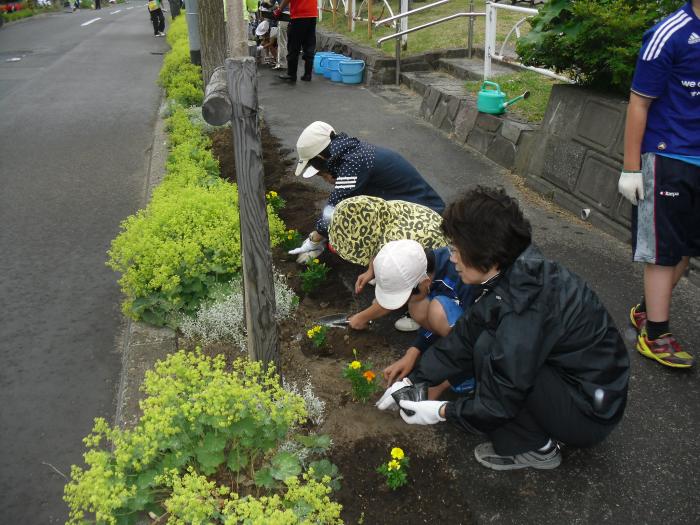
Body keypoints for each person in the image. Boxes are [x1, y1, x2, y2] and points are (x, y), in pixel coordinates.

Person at [377, 186, 630, 471]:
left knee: (492, 351)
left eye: (457, 250)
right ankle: (535, 431)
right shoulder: (516, 270)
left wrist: (443, 411)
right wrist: (416, 381)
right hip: (581, 384)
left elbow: (500, 399)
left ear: (484, 252)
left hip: (590, 412)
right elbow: (466, 334)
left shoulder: (525, 302)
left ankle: (538, 449)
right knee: (483, 342)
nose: (453, 258)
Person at [618, 0, 699, 369]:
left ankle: (648, 310)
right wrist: (631, 168)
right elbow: (639, 102)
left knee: (684, 250)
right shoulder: (668, 34)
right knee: (663, 251)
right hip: (667, 158)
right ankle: (655, 335)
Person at [288, 121, 445, 267]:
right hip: (412, 208)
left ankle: (405, 265)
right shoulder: (351, 152)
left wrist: (314, 240)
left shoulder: (353, 164)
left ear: (321, 157)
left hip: (426, 218)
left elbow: (334, 209)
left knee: (349, 237)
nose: (325, 179)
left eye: (321, 173)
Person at [359, 240, 475, 398]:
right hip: (463, 320)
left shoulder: (465, 279)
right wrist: (412, 353)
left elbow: (476, 336)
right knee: (419, 307)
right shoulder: (427, 269)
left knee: (434, 310)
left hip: (489, 339)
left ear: (424, 284)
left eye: (405, 296)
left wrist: (438, 386)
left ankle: (468, 375)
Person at [325, 196, 448, 330]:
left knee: (416, 299)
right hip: (424, 245)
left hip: (438, 267)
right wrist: (370, 271)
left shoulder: (396, 239)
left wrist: (361, 318)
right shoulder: (378, 213)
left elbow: (390, 299)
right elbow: (376, 242)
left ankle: (422, 312)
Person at [274, 0, 316, 82]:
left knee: (293, 45)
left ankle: (291, 74)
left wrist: (279, 10)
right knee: (309, 44)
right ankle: (308, 74)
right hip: (312, 14)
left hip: (299, 15)